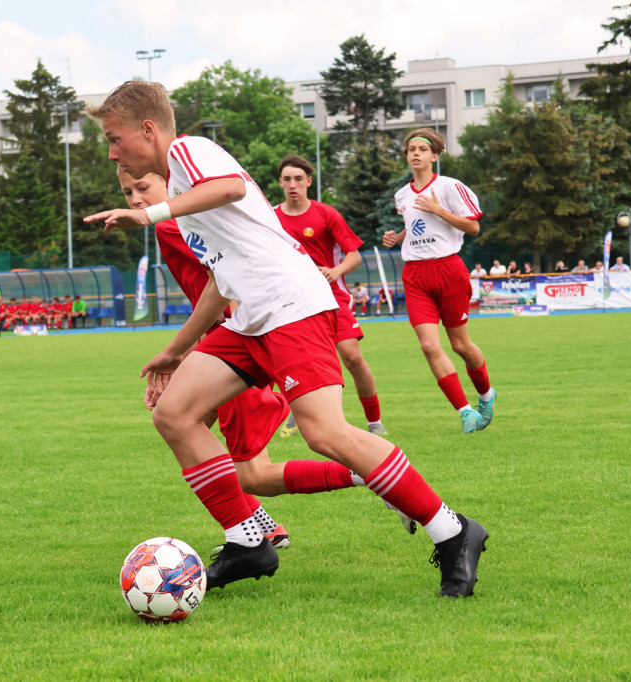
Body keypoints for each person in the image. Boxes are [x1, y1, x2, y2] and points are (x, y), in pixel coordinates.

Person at [84, 81, 486, 597]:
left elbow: (229, 187)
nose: (112, 152)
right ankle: (247, 540)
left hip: (291, 308)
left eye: (115, 138)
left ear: (147, 129)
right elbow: (218, 283)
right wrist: (175, 351)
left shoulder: (188, 151)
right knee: (175, 413)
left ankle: (453, 531)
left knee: (325, 433)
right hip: (251, 319)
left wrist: (151, 212)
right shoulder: (182, 194)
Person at [119, 167, 416, 546]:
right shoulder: (180, 224)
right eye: (128, 193)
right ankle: (262, 528)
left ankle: (370, 477)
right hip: (232, 344)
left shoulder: (173, 225)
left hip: (236, 350)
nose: (136, 200)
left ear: (171, 182)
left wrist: (183, 352)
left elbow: (225, 291)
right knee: (189, 434)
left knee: (248, 471)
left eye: (143, 187)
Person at [383, 128, 496, 435]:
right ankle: (465, 412)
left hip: (449, 270)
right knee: (429, 346)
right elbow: (416, 224)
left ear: (435, 156)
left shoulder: (449, 187)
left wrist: (438, 209)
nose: (415, 153)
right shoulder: (402, 195)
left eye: (422, 149)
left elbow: (472, 227)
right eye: (411, 149)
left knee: (460, 345)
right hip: (415, 276)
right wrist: (398, 236)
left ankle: (486, 395)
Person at [274, 154, 387, 435]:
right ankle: (296, 414)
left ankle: (374, 422)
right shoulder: (271, 218)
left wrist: (336, 272)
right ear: (280, 183)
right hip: (291, 301)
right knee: (289, 361)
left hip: (331, 297)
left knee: (352, 357)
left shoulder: (326, 214)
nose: (292, 185)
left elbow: (354, 255)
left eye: (298, 179)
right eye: (287, 179)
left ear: (309, 182)